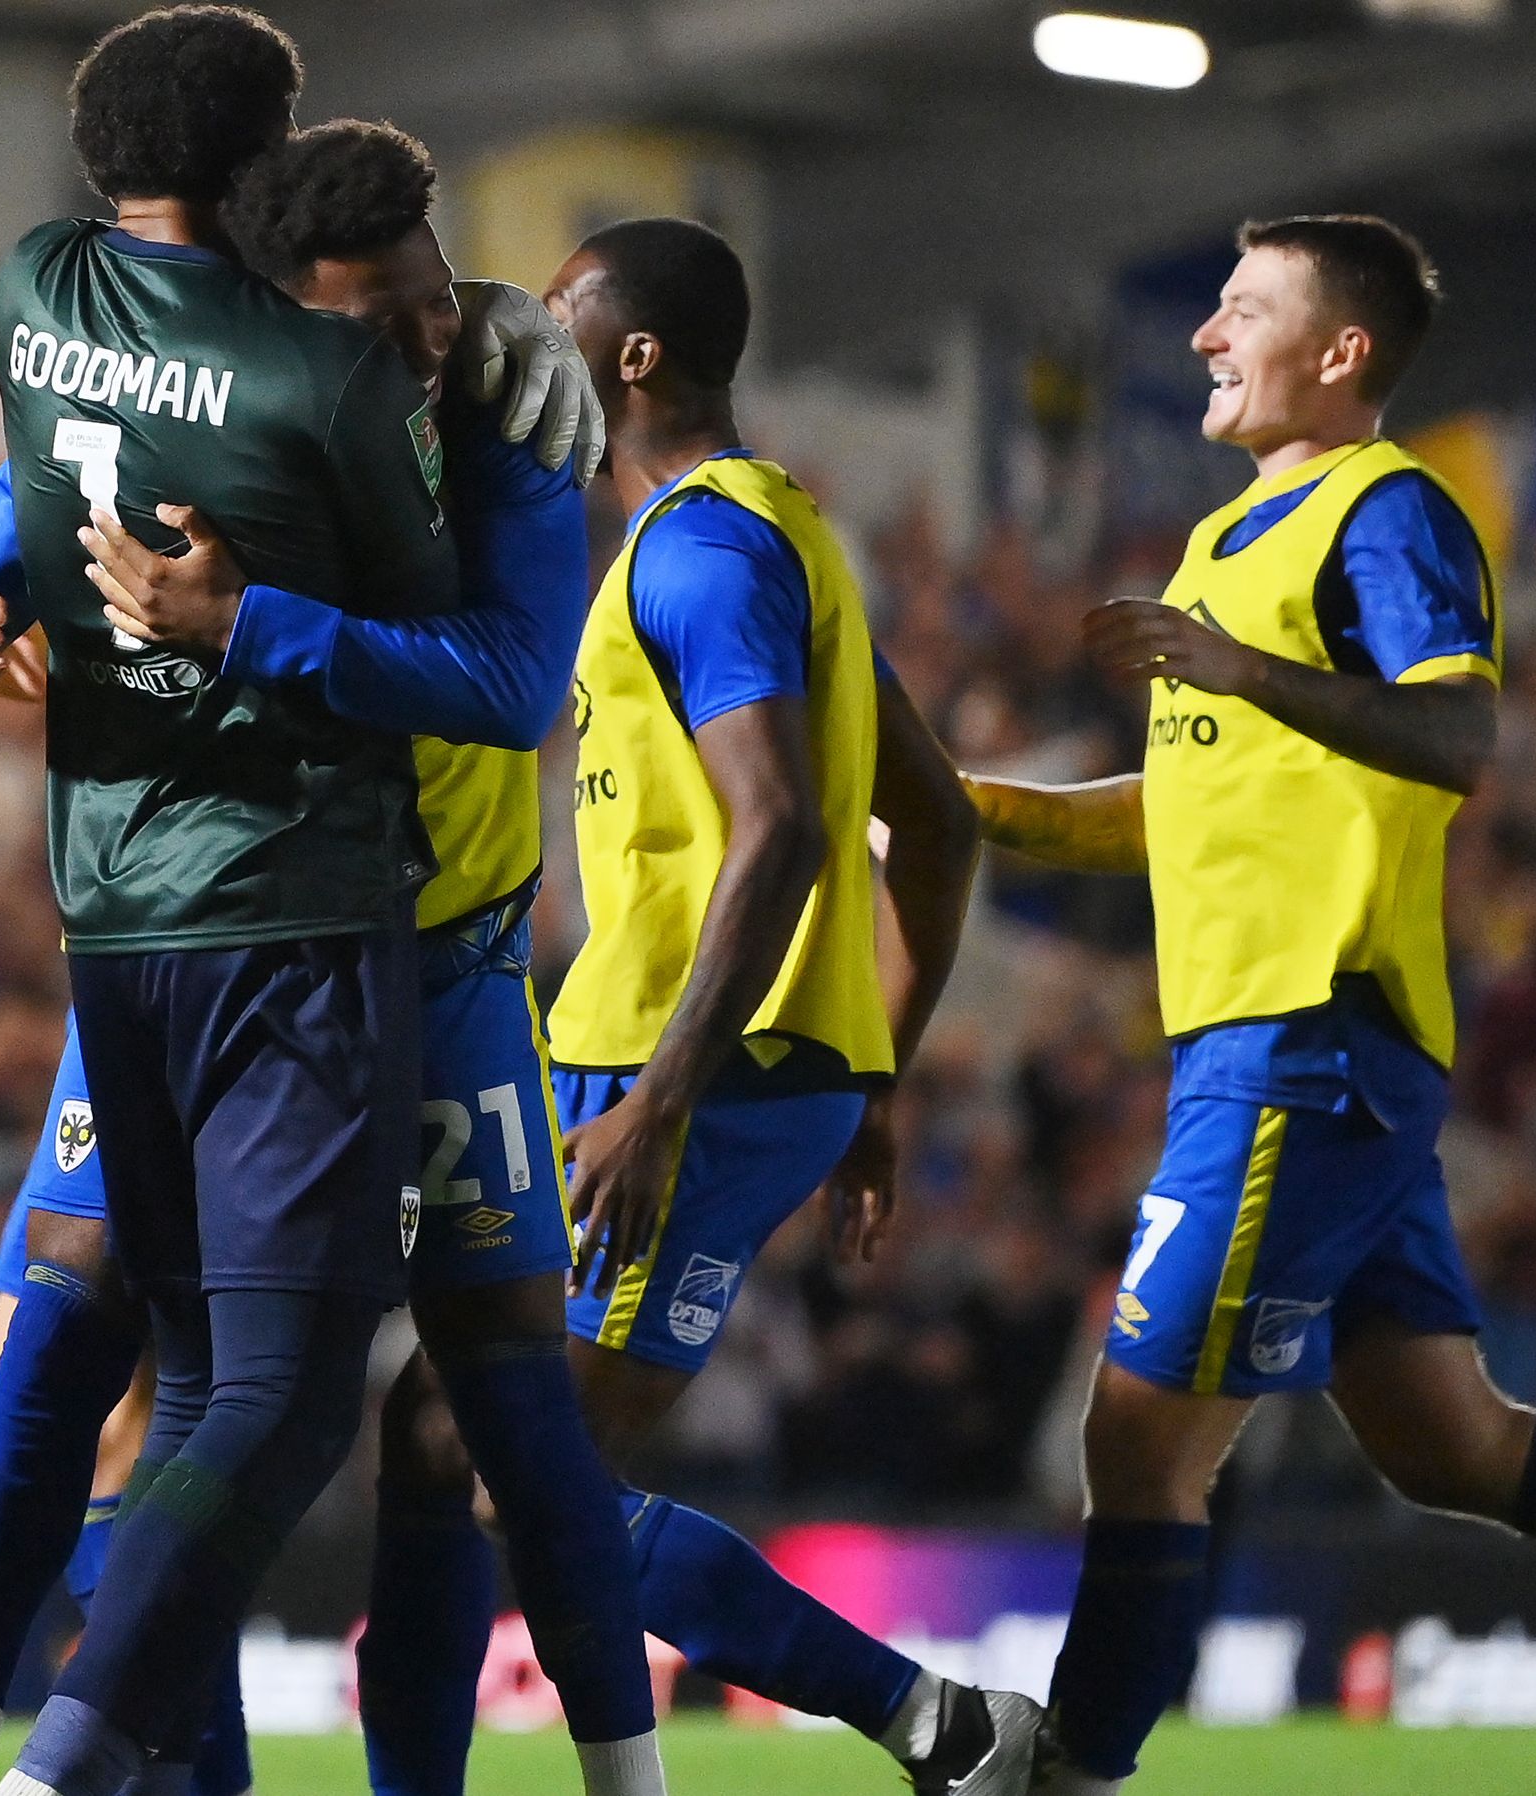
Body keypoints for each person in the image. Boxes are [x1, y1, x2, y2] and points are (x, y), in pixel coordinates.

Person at [0, 118, 638, 1796]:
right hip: (212, 941)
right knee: (76, 1366)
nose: (424, 344)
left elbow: (510, 692)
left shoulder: (502, 423)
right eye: (382, 321)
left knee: (489, 1402)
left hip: (434, 968)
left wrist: (496, 319)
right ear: (276, 318)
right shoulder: (199, 415)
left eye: (437, 305)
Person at [961, 215, 1536, 1794]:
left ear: (1340, 353)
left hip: (1298, 1039)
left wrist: (1235, 673)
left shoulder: (1382, 509)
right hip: (1285, 1045)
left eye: (1241, 310)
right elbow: (1172, 811)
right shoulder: (1220, 548)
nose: (1202, 334)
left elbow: (1456, 738)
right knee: (1449, 1444)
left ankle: (1073, 1776)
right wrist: (959, 801)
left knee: (1136, 1445)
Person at [533, 218, 1035, 1796]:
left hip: (680, 1077)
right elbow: (937, 823)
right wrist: (869, 1066)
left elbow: (786, 829)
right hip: (772, 1069)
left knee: (498, 1459)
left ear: (630, 359)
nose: (528, 351)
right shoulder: (781, 535)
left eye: (557, 325)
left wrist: (660, 1100)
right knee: (476, 1449)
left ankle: (935, 1726)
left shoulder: (693, 552)